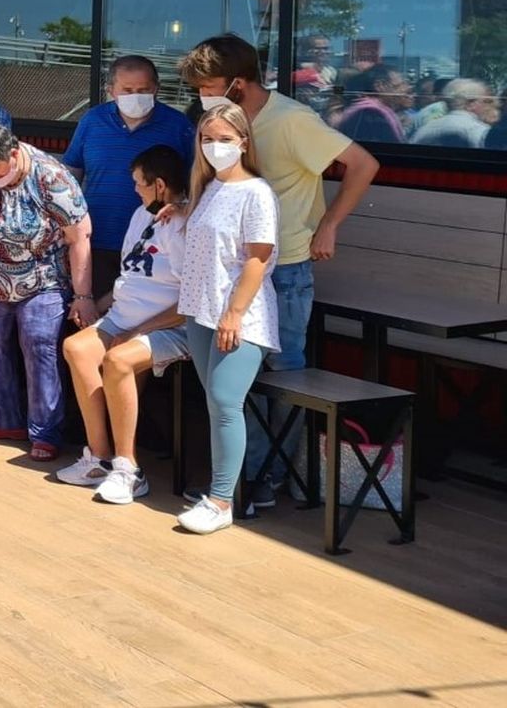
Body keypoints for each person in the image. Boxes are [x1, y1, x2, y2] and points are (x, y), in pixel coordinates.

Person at [179, 32, 377, 503]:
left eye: (209, 86)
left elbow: (362, 164)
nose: (201, 96)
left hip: (282, 267)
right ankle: (241, 477)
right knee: (231, 389)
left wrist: (328, 225)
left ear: (240, 83)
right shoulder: (221, 126)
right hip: (224, 277)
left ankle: (267, 478)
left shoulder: (291, 121)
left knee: (282, 376)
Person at [57, 144, 192, 503]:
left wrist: (138, 331)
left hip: (169, 326)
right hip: (124, 317)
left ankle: (128, 468)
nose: (135, 189)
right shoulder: (140, 215)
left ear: (160, 185)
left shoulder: (182, 225)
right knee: (76, 347)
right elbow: (130, 275)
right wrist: (92, 304)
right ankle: (100, 457)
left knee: (118, 360)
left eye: (139, 183)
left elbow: (191, 301)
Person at [175, 103, 280, 536]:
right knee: (213, 401)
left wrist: (234, 313)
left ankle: (222, 501)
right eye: (207, 138)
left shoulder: (256, 192)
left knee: (225, 402)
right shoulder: (207, 187)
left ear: (243, 142)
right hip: (199, 308)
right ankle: (223, 492)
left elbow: (258, 258)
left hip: (238, 314)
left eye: (223, 139)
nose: (215, 147)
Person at [0, 124, 93, 461]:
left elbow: (80, 237)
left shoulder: (51, 177)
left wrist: (83, 296)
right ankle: (4, 419)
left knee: (39, 347)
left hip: (43, 279)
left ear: (15, 154)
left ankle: (45, 432)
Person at [61, 54, 195, 299]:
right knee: (91, 320)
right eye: (128, 89)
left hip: (157, 245)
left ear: (157, 88)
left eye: (143, 89)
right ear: (111, 90)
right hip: (97, 240)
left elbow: (195, 180)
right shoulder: (92, 121)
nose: (136, 95)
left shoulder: (179, 126)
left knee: (142, 322)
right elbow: (71, 175)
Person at [410, 77, 498, 148]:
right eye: (486, 101)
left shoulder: (423, 130)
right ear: (471, 103)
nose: (492, 105)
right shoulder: (479, 131)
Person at [337, 65, 413, 144]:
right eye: (400, 85)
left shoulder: (376, 110)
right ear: (380, 85)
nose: (406, 89)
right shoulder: (371, 113)